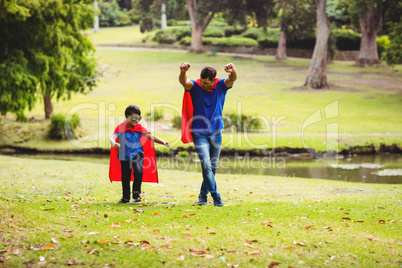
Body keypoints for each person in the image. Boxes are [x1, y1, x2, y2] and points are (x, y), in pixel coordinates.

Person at [179, 62, 237, 207]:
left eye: (206, 83)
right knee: (206, 164)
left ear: (213, 80)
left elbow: (232, 79)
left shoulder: (221, 85)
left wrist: (233, 70)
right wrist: (182, 72)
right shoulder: (195, 86)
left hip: (216, 131)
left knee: (213, 166)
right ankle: (216, 197)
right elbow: (184, 82)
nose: (203, 84)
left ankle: (202, 196)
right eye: (202, 81)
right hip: (199, 132)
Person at [109, 105, 170, 203]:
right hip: (124, 154)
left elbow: (151, 136)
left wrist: (163, 142)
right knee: (125, 176)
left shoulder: (139, 127)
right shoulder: (120, 127)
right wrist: (114, 144)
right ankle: (125, 198)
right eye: (134, 118)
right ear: (127, 117)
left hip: (137, 152)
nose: (136, 121)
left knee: (139, 172)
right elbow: (112, 138)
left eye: (139, 118)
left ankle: (136, 195)